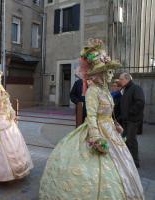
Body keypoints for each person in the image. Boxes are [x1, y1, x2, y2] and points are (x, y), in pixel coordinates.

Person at [39, 39, 144, 200]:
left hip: (110, 131)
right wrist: (96, 137)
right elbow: (92, 115)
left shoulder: (106, 91)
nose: (108, 74)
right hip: (97, 131)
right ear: (96, 73)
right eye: (104, 71)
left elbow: (109, 112)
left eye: (109, 71)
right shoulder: (93, 91)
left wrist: (116, 125)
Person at [119, 72, 145, 168]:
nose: (120, 81)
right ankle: (128, 159)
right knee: (125, 139)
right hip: (126, 120)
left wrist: (130, 112)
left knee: (131, 140)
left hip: (133, 120)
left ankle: (135, 162)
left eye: (121, 79)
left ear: (127, 79)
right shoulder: (126, 89)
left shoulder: (136, 88)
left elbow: (140, 102)